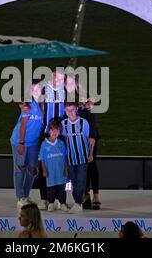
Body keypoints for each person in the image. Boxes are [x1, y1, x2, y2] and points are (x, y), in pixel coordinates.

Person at [65, 75, 101, 210]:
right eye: (66, 83)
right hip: (74, 137)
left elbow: (91, 116)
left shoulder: (84, 97)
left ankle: (96, 194)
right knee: (80, 165)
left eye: (71, 83)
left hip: (87, 136)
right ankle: (84, 194)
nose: (69, 86)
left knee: (91, 164)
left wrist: (92, 136)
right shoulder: (65, 98)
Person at [11, 80, 44, 208]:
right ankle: (20, 197)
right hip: (20, 141)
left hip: (33, 143)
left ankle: (26, 195)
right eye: (33, 89)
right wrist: (21, 143)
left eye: (38, 89)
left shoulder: (40, 104)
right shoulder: (27, 105)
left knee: (32, 170)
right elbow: (23, 125)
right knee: (19, 168)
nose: (35, 91)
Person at [61, 102, 92, 213]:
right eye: (68, 110)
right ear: (65, 111)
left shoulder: (84, 123)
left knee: (81, 181)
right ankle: (78, 200)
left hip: (83, 158)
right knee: (74, 182)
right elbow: (65, 141)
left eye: (72, 110)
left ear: (77, 109)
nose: (70, 112)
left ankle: (78, 203)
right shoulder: (64, 124)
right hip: (70, 159)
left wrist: (91, 154)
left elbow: (90, 141)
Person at [39, 119, 69, 212]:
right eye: (52, 130)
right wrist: (44, 170)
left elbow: (65, 156)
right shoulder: (44, 144)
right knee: (50, 189)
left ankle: (62, 203)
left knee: (62, 189)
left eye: (57, 130)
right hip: (50, 173)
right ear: (49, 131)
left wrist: (66, 169)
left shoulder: (61, 143)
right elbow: (42, 159)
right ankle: (51, 203)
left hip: (60, 172)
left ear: (60, 132)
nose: (54, 132)